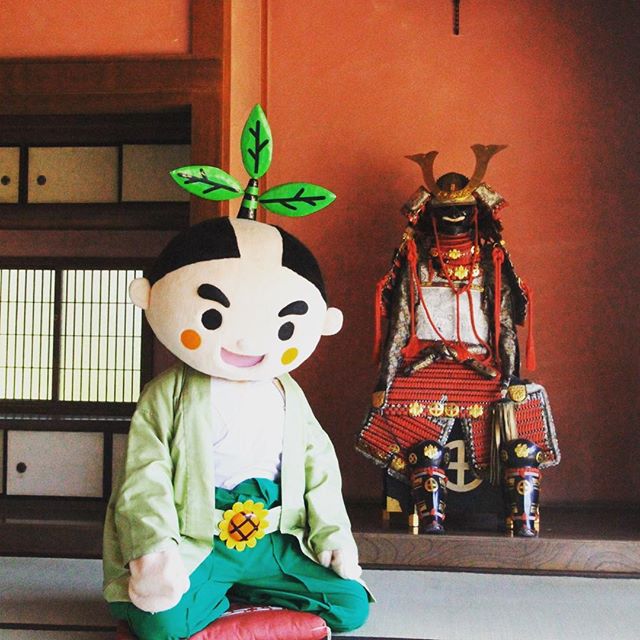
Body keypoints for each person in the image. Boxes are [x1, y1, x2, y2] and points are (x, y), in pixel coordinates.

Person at [103, 216, 370, 640]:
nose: (247, 341)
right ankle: (221, 587)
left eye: (283, 326)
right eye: (213, 318)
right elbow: (144, 479)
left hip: (275, 539)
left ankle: (237, 591)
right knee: (161, 624)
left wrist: (332, 536)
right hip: (198, 540)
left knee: (351, 606)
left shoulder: (288, 393)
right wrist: (154, 550)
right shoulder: (166, 393)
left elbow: (319, 468)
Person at [356, 145, 559, 537]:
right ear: (429, 214)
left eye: (463, 209)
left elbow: (504, 326)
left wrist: (511, 376)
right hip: (424, 366)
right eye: (444, 209)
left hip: (482, 367)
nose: (454, 216)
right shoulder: (414, 260)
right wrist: (385, 379)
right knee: (403, 414)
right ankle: (426, 511)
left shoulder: (491, 261)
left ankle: (520, 513)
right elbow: (399, 325)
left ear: (476, 212)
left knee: (524, 412)